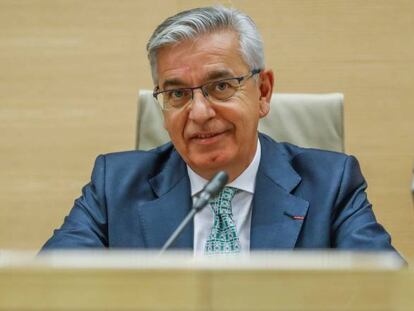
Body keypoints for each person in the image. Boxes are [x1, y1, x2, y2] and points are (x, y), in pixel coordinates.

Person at [42, 6, 401, 257]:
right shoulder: (114, 186)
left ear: (263, 92)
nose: (199, 112)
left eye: (221, 86)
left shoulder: (331, 185)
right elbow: (50, 289)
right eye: (178, 93)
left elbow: (386, 295)